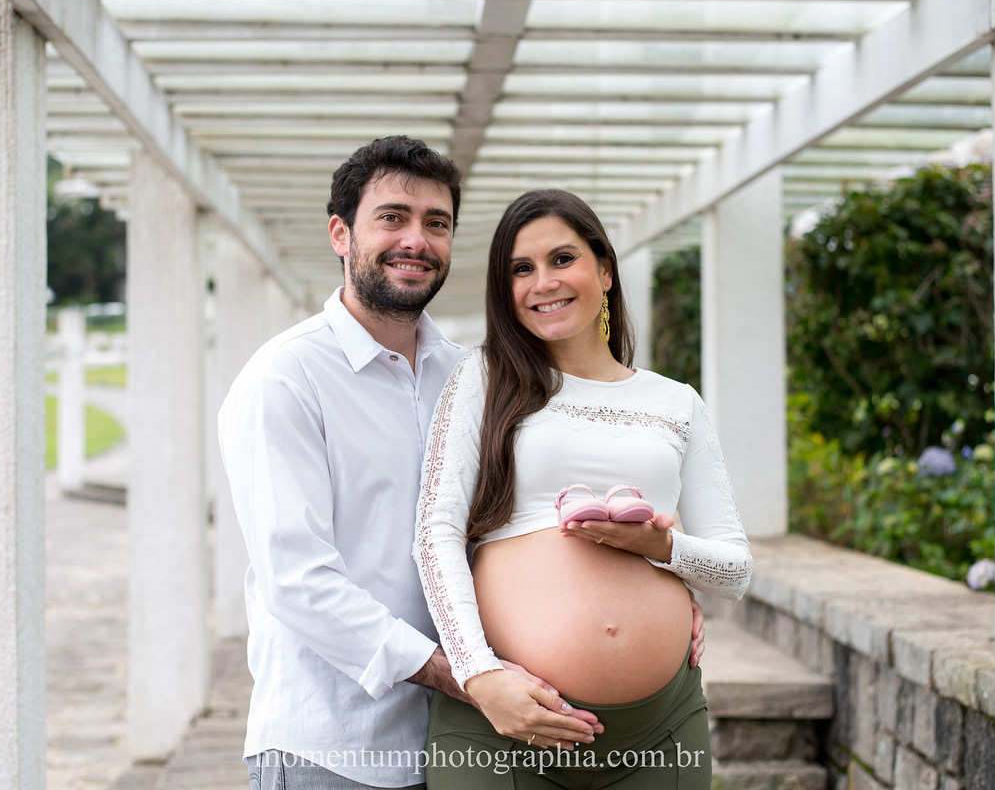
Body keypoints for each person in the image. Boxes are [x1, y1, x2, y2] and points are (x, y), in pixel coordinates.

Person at [219, 138, 626, 790]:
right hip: (331, 749)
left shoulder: (473, 377)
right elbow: (296, 581)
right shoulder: (284, 379)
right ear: (339, 234)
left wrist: (655, 593)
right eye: (392, 217)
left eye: (436, 223)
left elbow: (520, 525)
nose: (417, 239)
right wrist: (464, 673)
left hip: (462, 747)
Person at [413, 189, 754, 788]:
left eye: (562, 259)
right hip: (503, 729)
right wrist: (477, 674)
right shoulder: (483, 377)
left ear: (605, 270)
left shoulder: (677, 402)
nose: (543, 282)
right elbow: (435, 535)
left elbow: (735, 572)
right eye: (522, 269)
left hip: (661, 729)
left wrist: (663, 551)